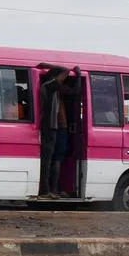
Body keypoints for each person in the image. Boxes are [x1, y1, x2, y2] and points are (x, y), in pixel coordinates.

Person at [38, 64, 80, 198]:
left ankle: (53, 189)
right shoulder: (49, 86)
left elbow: (75, 91)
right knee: (48, 160)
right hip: (49, 128)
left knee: (54, 159)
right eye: (61, 77)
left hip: (55, 129)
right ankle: (46, 190)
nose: (63, 79)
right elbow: (66, 71)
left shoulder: (55, 89)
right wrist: (77, 74)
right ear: (54, 77)